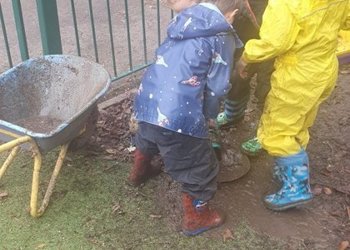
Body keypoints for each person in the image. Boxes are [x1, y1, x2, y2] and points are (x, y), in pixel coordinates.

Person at [128, 0, 243, 236]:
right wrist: (208, 115)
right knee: (198, 165)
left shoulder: (183, 22)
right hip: (179, 115)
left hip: (147, 99)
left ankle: (139, 172)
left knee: (149, 134)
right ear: (233, 14)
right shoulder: (222, 35)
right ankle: (197, 218)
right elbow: (218, 87)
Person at [236, 0, 350, 211]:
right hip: (324, 67)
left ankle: (295, 186)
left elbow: (275, 42)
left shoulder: (286, 3)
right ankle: (288, 167)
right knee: (300, 121)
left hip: (297, 74)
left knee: (277, 130)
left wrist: (246, 56)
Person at [215, 0, 274, 130]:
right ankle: (233, 114)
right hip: (243, 26)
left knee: (269, 85)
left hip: (277, 34)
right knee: (236, 73)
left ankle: (268, 131)